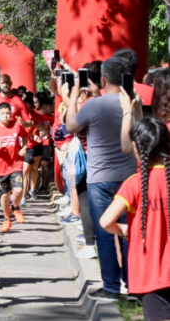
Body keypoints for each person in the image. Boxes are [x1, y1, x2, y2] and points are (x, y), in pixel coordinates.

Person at [63, 57, 137, 302]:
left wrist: (72, 96)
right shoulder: (135, 103)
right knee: (129, 233)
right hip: (130, 178)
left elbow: (71, 126)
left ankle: (111, 286)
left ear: (103, 79)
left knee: (105, 232)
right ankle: (133, 284)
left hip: (100, 179)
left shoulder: (94, 105)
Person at [100, 116, 170, 321]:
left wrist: (123, 230)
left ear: (137, 149)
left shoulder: (135, 184)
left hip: (154, 273)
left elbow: (105, 221)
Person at [0, 103, 29, 231]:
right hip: (0, 167)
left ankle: (15, 207)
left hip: (16, 163)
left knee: (18, 190)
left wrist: (24, 147)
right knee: (4, 195)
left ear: (11, 114)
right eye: (3, 113)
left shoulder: (17, 125)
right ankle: (7, 219)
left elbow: (26, 135)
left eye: (8, 113)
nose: (6, 116)